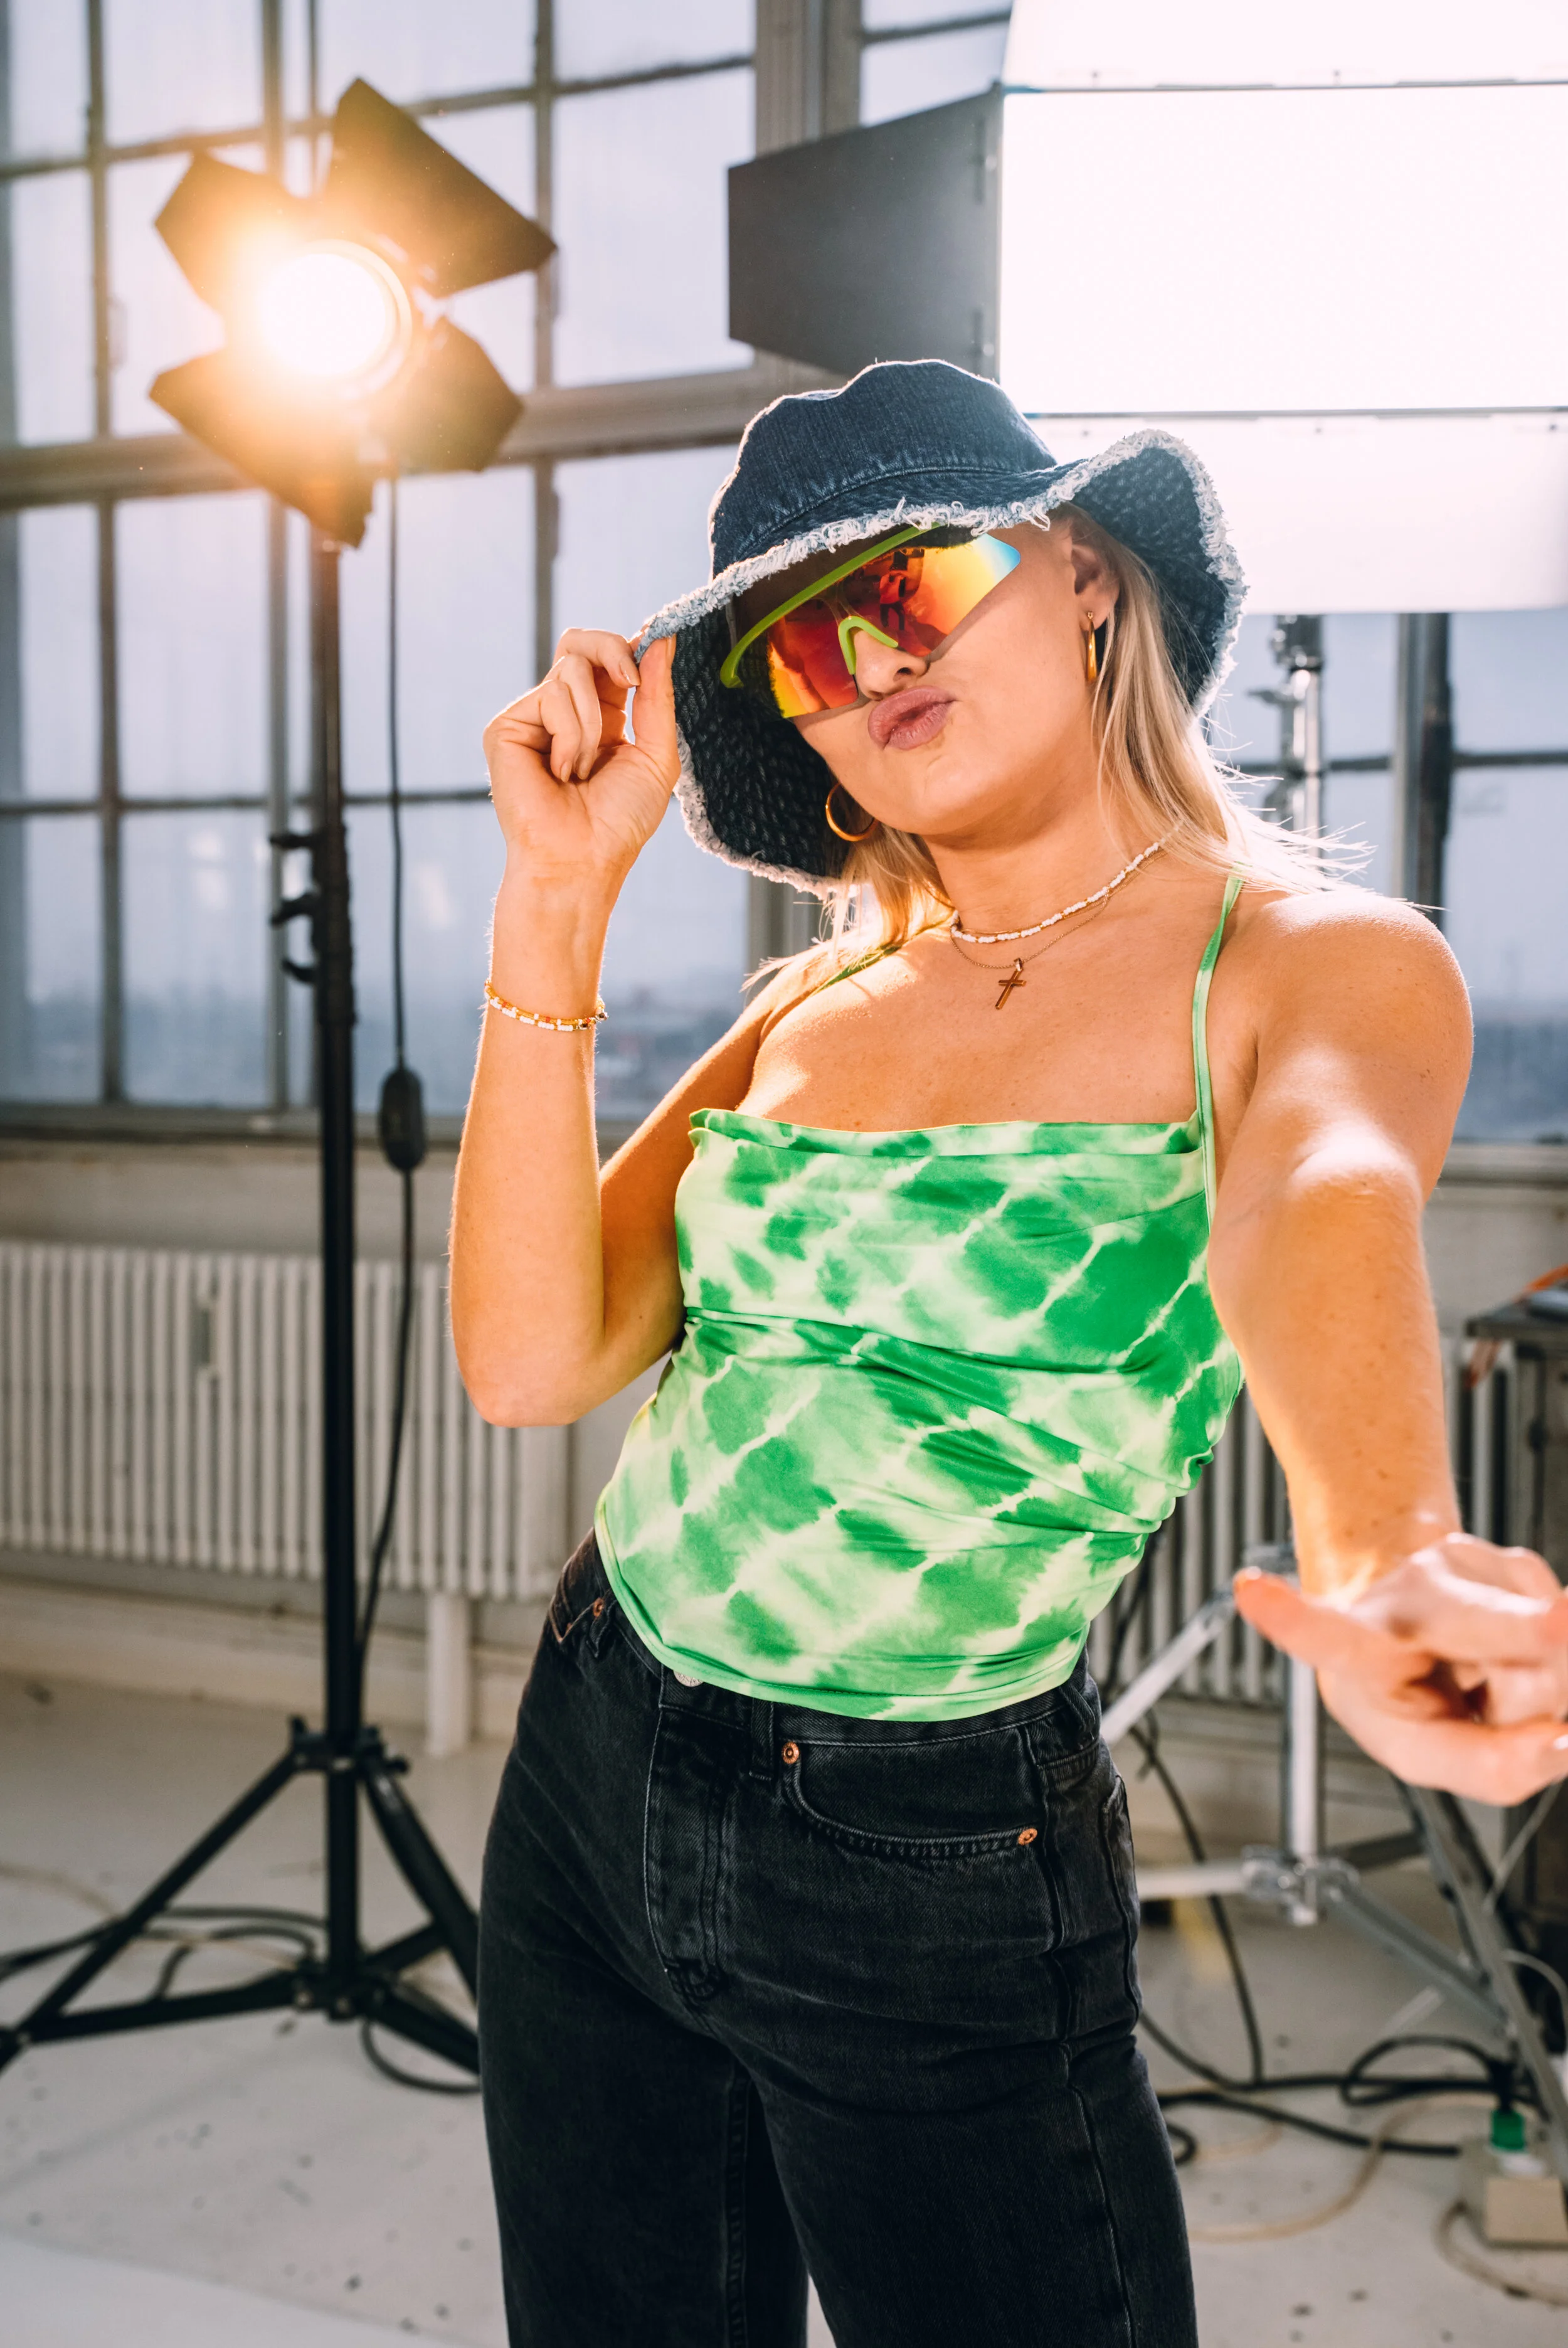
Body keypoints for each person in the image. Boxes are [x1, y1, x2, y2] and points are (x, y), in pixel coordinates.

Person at [452, 361, 1568, 2348]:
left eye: (913, 576)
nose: (859, 654)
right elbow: (532, 1359)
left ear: (1081, 578)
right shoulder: (818, 996)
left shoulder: (1306, 961)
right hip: (591, 1757)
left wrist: (1385, 1541)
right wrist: (554, 904)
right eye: (796, 643)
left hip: (923, 1847)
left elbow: (1317, 1193)